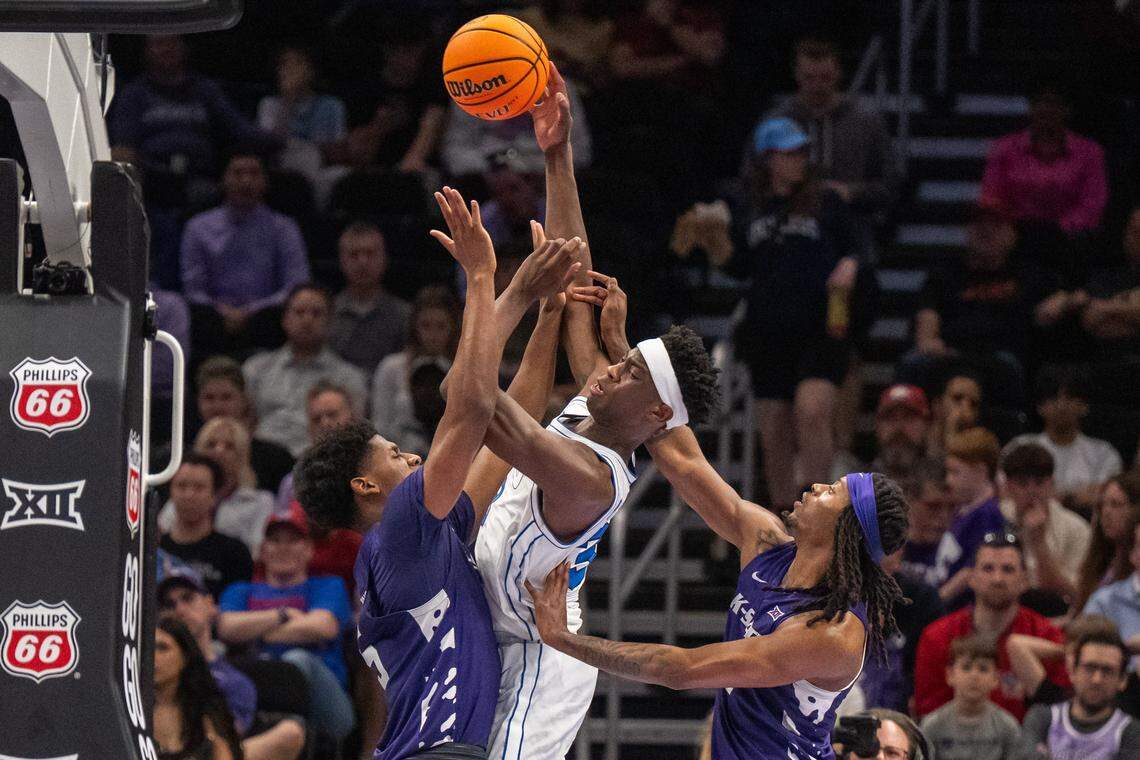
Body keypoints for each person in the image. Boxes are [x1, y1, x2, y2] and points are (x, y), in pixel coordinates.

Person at [472, 69, 721, 759]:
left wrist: (505, 292)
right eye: (622, 356)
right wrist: (557, 153)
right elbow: (575, 273)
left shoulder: (589, 475)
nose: (611, 365)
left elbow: (480, 409)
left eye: (630, 368)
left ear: (653, 411)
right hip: (494, 630)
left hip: (538, 658)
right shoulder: (598, 414)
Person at [294, 184, 582, 757]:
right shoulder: (399, 531)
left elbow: (511, 421)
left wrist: (550, 312)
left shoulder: (426, 536)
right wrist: (494, 282)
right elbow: (470, 404)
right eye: (395, 454)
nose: (415, 455)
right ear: (365, 487)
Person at [712, 116, 867, 508]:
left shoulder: (826, 201)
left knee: (812, 410)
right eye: (788, 153)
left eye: (801, 152)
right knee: (774, 426)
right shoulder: (749, 207)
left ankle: (817, 504)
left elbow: (856, 247)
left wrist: (850, 264)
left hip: (818, 325)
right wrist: (713, 240)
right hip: (768, 327)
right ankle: (785, 514)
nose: (798, 159)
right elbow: (739, 266)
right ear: (768, 159)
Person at [901, 200, 1067, 409]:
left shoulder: (1029, 274)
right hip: (950, 352)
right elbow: (927, 316)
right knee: (913, 363)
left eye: (996, 225)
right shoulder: (944, 274)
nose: (986, 231)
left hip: (1000, 356)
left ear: (1013, 236)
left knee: (1008, 368)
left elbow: (1069, 294)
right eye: (979, 224)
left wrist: (1061, 301)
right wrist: (928, 342)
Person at [217, 509, 356, 746]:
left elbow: (322, 627)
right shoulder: (240, 591)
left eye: (293, 540)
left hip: (328, 709)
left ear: (309, 549)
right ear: (262, 550)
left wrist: (256, 633)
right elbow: (227, 629)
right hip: (256, 697)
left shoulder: (328, 586)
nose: (284, 548)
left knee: (297, 659)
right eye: (275, 540)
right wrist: (283, 615)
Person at [914, 534, 1069, 721]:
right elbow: (930, 713)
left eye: (1008, 569)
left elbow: (1062, 711)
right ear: (971, 578)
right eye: (988, 568)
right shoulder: (937, 636)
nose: (997, 579)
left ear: (1025, 581)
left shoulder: (1046, 636)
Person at [159, 564, 306, 760]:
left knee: (289, 733)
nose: (179, 609)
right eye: (169, 604)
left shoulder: (234, 682)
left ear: (210, 604)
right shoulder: (146, 669)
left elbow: (226, 740)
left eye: (188, 598)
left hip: (207, 752)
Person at [181, 151, 312, 356]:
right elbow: (193, 288)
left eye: (254, 173)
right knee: (195, 314)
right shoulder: (198, 228)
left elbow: (295, 283)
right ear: (223, 180)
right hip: (214, 319)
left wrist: (250, 312)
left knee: (287, 310)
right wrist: (223, 311)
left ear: (265, 182)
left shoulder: (284, 228)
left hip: (266, 318)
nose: (246, 181)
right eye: (238, 173)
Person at [764, 35, 900, 223]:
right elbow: (752, 178)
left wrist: (851, 192)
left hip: (851, 223)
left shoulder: (866, 121)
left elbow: (890, 185)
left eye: (825, 78)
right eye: (809, 78)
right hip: (788, 224)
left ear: (838, 73)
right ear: (796, 74)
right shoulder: (776, 122)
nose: (817, 86)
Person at [243, 283, 367, 457]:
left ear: (331, 321)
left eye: (316, 313)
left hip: (324, 460)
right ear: (285, 319)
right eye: (299, 312)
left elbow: (355, 436)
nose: (307, 320)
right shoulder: (256, 369)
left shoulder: (349, 377)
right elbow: (244, 425)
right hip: (265, 461)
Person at [980, 78, 1107, 239]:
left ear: (1067, 109)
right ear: (1031, 107)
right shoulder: (1005, 148)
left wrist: (1060, 229)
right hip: (1015, 237)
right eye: (1039, 102)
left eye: (1053, 103)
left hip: (1069, 239)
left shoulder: (1089, 152)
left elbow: (1092, 204)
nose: (1046, 109)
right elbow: (992, 197)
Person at [1007, 367, 1124, 515]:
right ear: (1040, 407)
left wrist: (1062, 497)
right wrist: (1076, 496)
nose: (1061, 405)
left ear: (1084, 406)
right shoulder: (1019, 447)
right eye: (1053, 398)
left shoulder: (1104, 453)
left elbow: (1107, 497)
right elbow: (1006, 493)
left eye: (1069, 397)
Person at [158, 417, 275, 556]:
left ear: (242, 454)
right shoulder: (182, 497)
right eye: (211, 444)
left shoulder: (261, 502)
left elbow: (259, 551)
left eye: (229, 446)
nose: (219, 451)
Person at [1020, 630, 1140, 758]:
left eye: (1107, 671)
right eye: (1089, 668)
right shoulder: (1043, 718)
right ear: (1072, 672)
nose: (1096, 680)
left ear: (1122, 680)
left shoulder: (1131, 732)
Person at [369, 286, 460, 451]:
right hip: (400, 455)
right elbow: (379, 427)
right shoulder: (391, 368)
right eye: (426, 326)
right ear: (414, 326)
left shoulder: (463, 370)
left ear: (453, 328)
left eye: (441, 326)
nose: (433, 335)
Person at [999, 442, 1092, 599]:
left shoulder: (1076, 529)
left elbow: (1076, 593)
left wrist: (1039, 542)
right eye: (1022, 484)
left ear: (1052, 483)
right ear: (1008, 487)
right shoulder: (996, 517)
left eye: (1039, 483)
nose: (1032, 491)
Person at [192, 356, 294, 492]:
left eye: (226, 397)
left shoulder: (276, 460)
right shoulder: (182, 461)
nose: (217, 406)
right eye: (209, 398)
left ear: (244, 400)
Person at [160, 454, 253, 599]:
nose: (189, 494)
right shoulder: (156, 549)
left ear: (214, 495)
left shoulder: (234, 552)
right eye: (181, 486)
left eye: (199, 487)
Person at [919, 636, 1026, 760]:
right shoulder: (932, 725)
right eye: (966, 667)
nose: (974, 676)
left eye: (983, 669)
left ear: (996, 678)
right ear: (950, 675)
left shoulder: (1007, 726)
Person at [153, 616, 244, 760]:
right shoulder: (128, 708)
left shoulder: (207, 708)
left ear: (185, 657)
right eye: (148, 648)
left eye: (162, 648)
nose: (152, 656)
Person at [935, 427, 1008, 606]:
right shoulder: (964, 510)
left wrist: (936, 601)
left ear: (981, 471)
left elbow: (970, 570)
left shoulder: (987, 515)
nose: (948, 480)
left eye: (955, 472)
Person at [328, 221, 411, 376]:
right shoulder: (327, 313)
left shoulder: (405, 315)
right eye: (354, 254)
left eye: (370, 253)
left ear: (384, 258)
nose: (363, 262)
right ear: (341, 260)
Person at [257, 45, 347, 150]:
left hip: (320, 161)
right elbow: (268, 144)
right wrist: (288, 99)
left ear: (311, 70)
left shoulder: (332, 105)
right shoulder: (269, 104)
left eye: (297, 62)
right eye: (284, 63)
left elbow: (338, 146)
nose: (290, 68)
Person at [1077, 473, 1140, 610]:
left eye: (1116, 505)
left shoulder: (1136, 568)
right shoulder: (1100, 563)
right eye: (1102, 505)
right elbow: (1077, 615)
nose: (1106, 512)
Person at [1084, 522, 1140, 661]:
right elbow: (1087, 656)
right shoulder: (1104, 602)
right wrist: (1126, 649)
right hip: (1122, 680)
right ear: (1134, 554)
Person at [898, 457, 955, 589]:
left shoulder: (959, 554)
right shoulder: (884, 552)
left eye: (952, 507)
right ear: (908, 501)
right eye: (933, 506)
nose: (944, 516)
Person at [872, 384, 932, 479]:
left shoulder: (948, 485)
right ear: (877, 426)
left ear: (926, 425)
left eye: (909, 418)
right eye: (890, 418)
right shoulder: (854, 488)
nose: (899, 426)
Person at [927, 372, 984, 459]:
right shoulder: (915, 439)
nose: (965, 408)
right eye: (957, 398)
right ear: (938, 405)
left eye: (973, 404)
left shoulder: (980, 451)